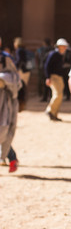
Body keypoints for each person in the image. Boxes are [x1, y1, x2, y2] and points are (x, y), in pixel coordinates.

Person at [0, 36, 22, 172]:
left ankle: (10, 157)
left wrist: (2, 79)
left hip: (3, 100)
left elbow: (15, 79)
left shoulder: (5, 58)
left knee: (4, 129)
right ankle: (11, 157)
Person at [44, 38, 69, 121]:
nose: (65, 48)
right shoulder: (53, 54)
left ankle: (54, 114)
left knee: (60, 96)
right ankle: (50, 110)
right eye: (63, 46)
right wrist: (47, 77)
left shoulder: (60, 55)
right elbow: (47, 66)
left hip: (59, 77)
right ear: (59, 46)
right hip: (53, 77)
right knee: (57, 94)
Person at [35, 38, 53, 102]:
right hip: (51, 68)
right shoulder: (52, 49)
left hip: (43, 68)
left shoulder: (42, 50)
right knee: (51, 83)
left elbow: (38, 58)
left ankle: (45, 97)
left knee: (45, 83)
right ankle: (51, 96)